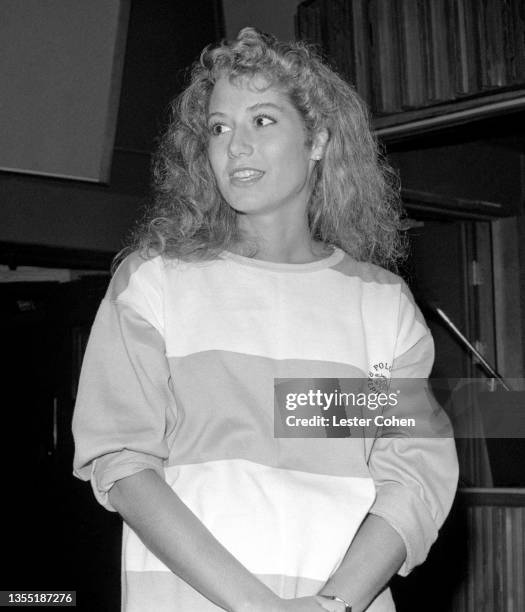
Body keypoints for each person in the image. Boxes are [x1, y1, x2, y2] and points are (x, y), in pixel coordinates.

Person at [72, 28, 458, 612]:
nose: (235, 146)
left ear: (318, 140)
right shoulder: (154, 283)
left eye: (263, 121)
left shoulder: (382, 306)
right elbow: (123, 463)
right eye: (219, 127)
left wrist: (333, 604)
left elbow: (412, 480)